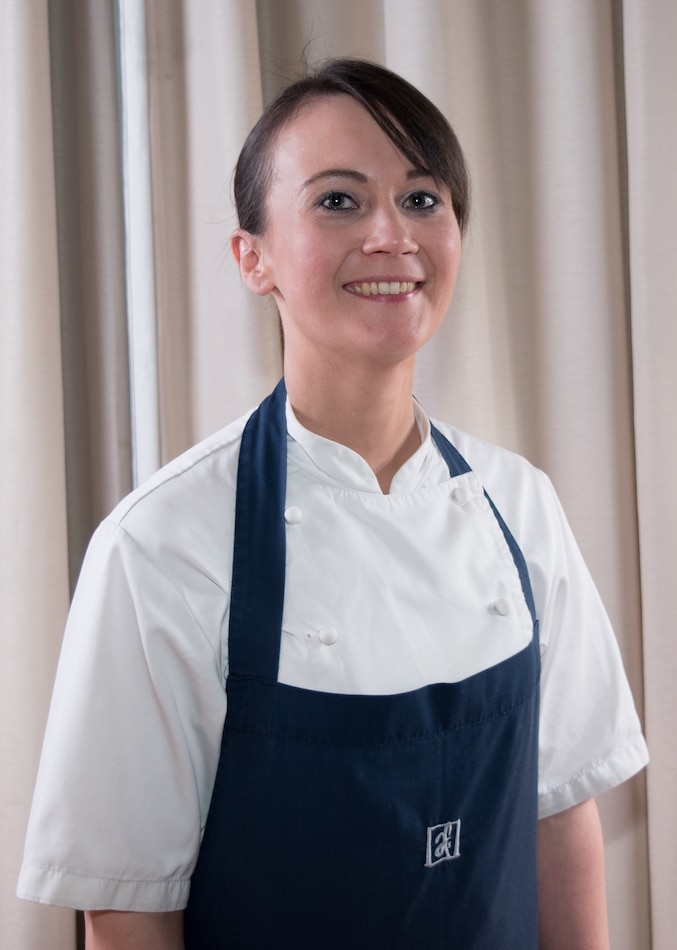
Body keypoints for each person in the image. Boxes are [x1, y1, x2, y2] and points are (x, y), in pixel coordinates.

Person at [18, 58, 648, 949]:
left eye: (423, 199)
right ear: (253, 257)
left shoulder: (520, 505)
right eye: (339, 201)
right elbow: (126, 913)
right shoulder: (162, 546)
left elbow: (559, 813)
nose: (391, 235)